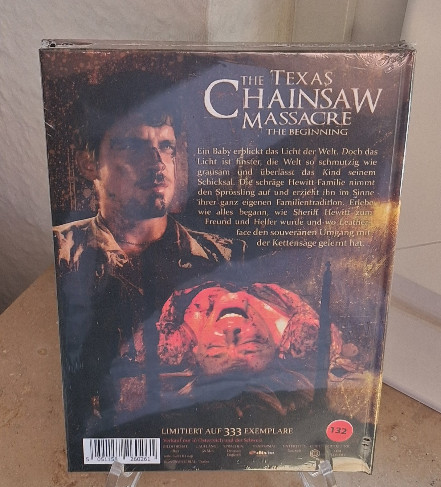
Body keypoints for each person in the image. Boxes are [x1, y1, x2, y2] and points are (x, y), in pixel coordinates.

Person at [53, 71, 245, 439]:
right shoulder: (62, 254)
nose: (157, 162)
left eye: (166, 146)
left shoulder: (225, 257)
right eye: (133, 146)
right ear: (89, 164)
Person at [156, 281, 369, 421]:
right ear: (275, 346)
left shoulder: (174, 342)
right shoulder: (301, 334)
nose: (232, 335)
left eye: (216, 348)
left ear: (195, 350)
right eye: (252, 343)